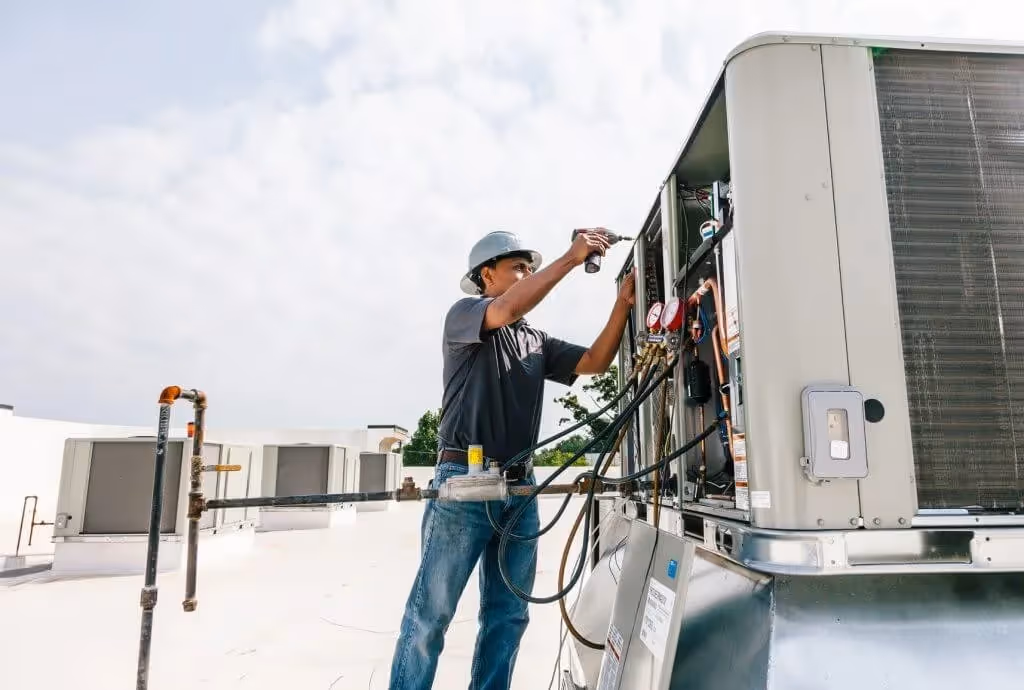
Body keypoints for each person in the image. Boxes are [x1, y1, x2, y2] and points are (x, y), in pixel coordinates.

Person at [388, 229, 636, 690]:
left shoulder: (537, 342)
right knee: (430, 616)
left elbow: (597, 362)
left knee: (507, 617)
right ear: (486, 275)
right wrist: (569, 258)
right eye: (518, 268)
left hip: (520, 491)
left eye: (528, 268)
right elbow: (506, 309)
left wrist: (623, 303)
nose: (526, 274)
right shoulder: (465, 316)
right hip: (463, 482)